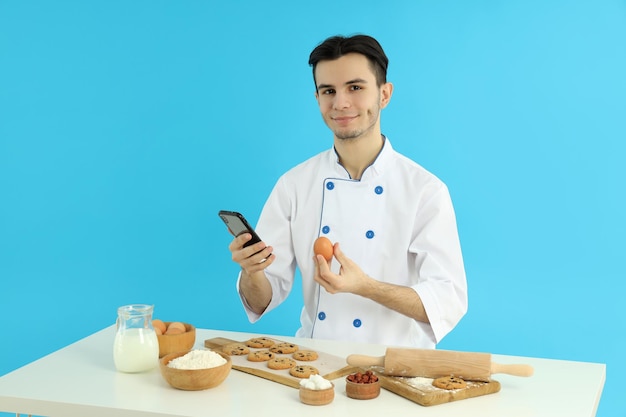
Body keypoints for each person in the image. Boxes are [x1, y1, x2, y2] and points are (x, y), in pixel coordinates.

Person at [228, 34, 467, 348]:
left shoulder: (425, 191)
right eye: (329, 91)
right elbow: (260, 300)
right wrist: (251, 271)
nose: (340, 103)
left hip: (396, 368)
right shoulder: (294, 185)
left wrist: (366, 287)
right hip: (314, 366)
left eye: (355, 87)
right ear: (317, 99)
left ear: (384, 94)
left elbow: (446, 301)